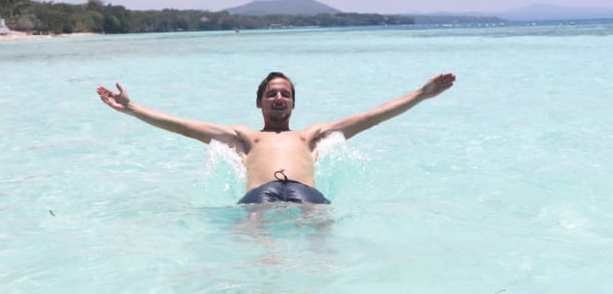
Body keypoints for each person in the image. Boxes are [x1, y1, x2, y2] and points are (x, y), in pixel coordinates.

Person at [95, 71, 456, 204]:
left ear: (294, 103)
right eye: (272, 93)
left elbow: (373, 116)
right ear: (259, 102)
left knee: (320, 252)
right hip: (260, 195)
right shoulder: (244, 137)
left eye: (285, 93)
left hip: (305, 192)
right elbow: (182, 126)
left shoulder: (311, 136)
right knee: (257, 255)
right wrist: (134, 108)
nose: (279, 97)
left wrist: (419, 95)